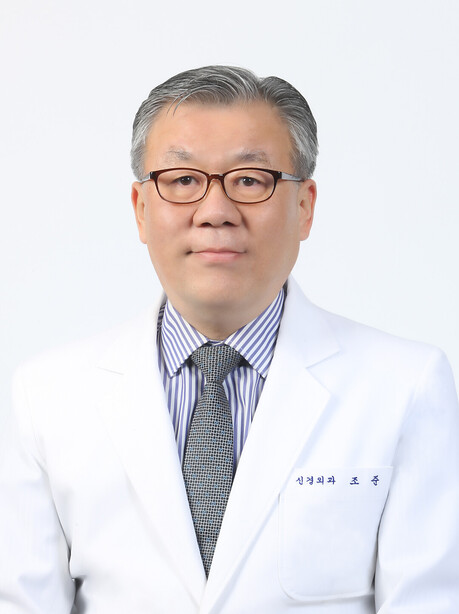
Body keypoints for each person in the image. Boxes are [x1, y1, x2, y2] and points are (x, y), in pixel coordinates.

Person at [1, 66, 458, 614]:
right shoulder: (47, 396)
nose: (215, 213)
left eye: (249, 180)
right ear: (141, 209)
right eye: (182, 180)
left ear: (305, 206)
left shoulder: (405, 387)